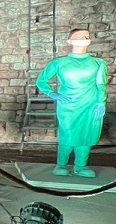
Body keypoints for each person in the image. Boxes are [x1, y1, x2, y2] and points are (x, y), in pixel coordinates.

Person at [36, 28, 109, 178]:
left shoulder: (98, 63)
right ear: (70, 41)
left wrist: (100, 102)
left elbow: (101, 85)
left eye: (87, 36)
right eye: (80, 36)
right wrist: (52, 94)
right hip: (68, 106)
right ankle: (61, 165)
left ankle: (81, 166)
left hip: (90, 105)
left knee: (86, 135)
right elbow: (41, 81)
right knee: (68, 133)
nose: (85, 39)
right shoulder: (59, 63)